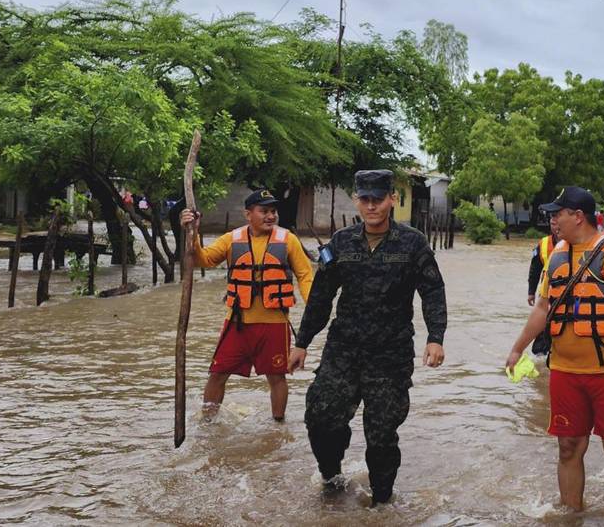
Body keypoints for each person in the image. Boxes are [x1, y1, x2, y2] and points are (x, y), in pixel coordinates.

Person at [287, 170, 447, 506]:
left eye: (378, 199)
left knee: (382, 435)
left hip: (390, 354)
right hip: (343, 349)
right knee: (320, 417)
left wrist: (436, 337)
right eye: (365, 199)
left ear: (392, 199)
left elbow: (432, 290)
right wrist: (302, 342)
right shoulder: (342, 243)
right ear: (357, 200)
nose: (371, 206)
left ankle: (382, 504)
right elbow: (320, 296)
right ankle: (332, 478)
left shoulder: (413, 243)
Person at [505, 186, 604, 512]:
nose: (552, 219)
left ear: (578, 217)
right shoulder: (557, 254)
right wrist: (518, 348)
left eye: (557, 213)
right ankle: (571, 515)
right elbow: (543, 308)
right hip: (564, 371)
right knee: (568, 447)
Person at [180, 189, 315, 421]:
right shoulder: (232, 239)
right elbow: (203, 259)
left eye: (273, 211)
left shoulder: (288, 240)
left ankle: (277, 425)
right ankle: (208, 424)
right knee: (217, 374)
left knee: (277, 378)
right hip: (237, 323)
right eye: (264, 211)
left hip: (275, 324)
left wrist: (313, 306)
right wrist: (193, 232)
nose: (271, 216)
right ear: (248, 214)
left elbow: (305, 275)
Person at [527, 217, 561, 306]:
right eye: (552, 223)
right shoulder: (543, 243)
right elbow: (535, 269)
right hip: (546, 292)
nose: (553, 219)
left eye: (557, 216)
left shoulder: (574, 242)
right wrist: (531, 292)